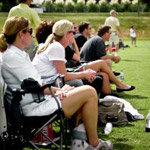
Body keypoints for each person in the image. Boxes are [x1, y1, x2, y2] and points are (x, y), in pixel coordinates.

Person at [0, 17, 113, 149]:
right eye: (29, 30)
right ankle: (93, 144)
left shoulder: (17, 54)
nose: (31, 34)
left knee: (81, 91)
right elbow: (36, 86)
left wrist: (60, 90)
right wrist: (60, 91)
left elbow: (36, 83)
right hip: (33, 109)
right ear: (21, 34)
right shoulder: (13, 57)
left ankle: (80, 142)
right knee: (89, 92)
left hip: (37, 101)